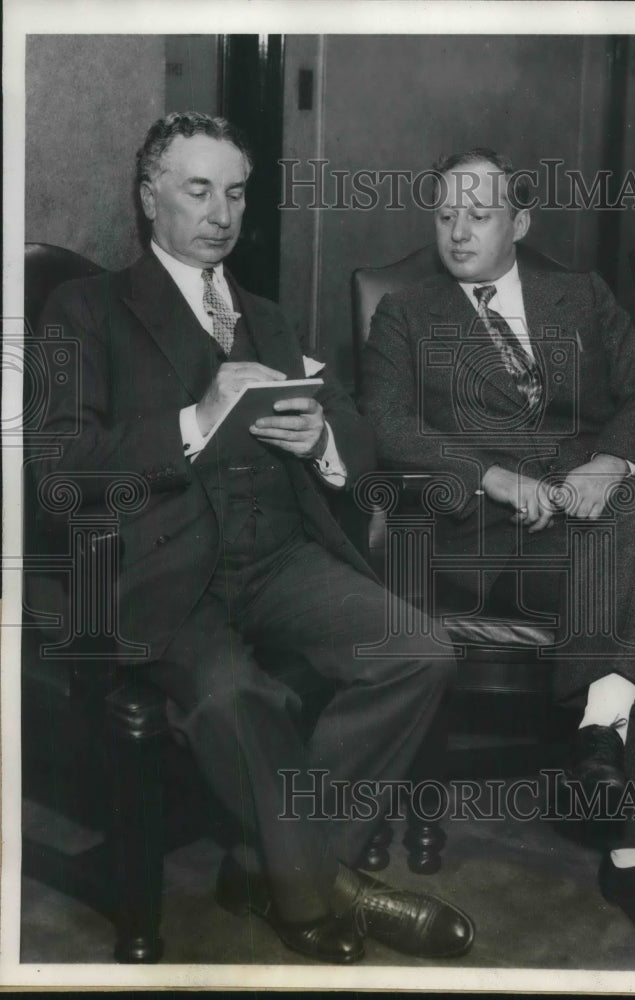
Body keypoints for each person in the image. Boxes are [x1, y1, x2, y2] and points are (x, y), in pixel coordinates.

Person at [32, 112, 474, 965]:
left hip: (277, 556)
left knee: (419, 648)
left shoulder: (267, 316)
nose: (221, 212)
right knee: (235, 697)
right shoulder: (83, 311)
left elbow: (343, 414)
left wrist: (324, 444)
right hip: (160, 574)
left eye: (235, 193)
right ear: (148, 195)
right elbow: (58, 470)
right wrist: (193, 423)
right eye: (198, 190)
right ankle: (317, 889)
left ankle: (270, 865)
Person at [361, 148, 635, 960]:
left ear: (519, 223)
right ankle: (625, 818)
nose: (457, 229)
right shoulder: (407, 314)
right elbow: (384, 424)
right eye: (445, 211)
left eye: (478, 214)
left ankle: (604, 741)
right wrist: (486, 475)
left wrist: (606, 462)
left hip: (588, 514)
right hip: (479, 536)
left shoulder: (580, 296)